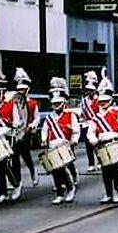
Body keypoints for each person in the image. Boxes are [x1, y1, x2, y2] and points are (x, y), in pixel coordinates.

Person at [0, 67, 22, 203]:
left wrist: (9, 125)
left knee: (11, 164)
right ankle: (3, 192)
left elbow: (18, 122)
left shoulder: (11, 103)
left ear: (2, 91)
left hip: (10, 137)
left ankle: (16, 185)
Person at [41, 77, 79, 205]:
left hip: (65, 145)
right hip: (53, 146)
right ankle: (59, 193)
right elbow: (45, 130)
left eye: (58, 103)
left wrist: (74, 140)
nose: (56, 105)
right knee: (55, 171)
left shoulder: (70, 115)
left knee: (63, 169)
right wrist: (43, 140)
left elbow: (75, 130)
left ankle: (70, 188)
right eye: (55, 103)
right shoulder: (49, 117)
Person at [87, 68, 118, 204]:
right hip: (102, 143)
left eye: (105, 101)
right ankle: (108, 193)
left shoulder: (116, 112)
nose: (102, 104)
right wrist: (93, 140)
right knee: (105, 171)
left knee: (114, 169)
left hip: (113, 142)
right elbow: (91, 130)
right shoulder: (96, 117)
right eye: (100, 102)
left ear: (110, 100)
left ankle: (117, 191)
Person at [12, 68, 39, 187]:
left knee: (26, 156)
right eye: (19, 90)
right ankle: (17, 181)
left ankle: (33, 172)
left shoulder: (33, 103)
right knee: (15, 157)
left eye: (23, 89)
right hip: (15, 133)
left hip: (26, 132)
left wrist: (31, 126)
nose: (21, 91)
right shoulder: (14, 102)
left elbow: (36, 118)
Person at [79, 71, 99, 172]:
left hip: (97, 123)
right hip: (87, 123)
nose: (89, 92)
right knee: (88, 145)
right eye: (88, 90)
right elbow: (81, 111)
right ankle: (91, 163)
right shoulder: (84, 100)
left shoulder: (99, 99)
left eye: (91, 90)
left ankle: (99, 160)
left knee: (97, 143)